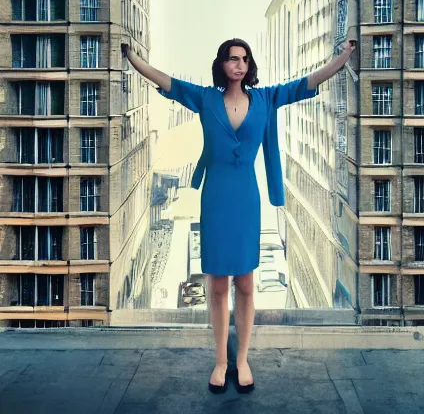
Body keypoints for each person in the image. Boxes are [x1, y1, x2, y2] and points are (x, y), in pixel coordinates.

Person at [121, 37, 356, 394]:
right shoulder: (205, 98)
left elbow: (309, 82)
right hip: (215, 199)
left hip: (247, 199)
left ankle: (242, 358)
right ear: (222, 64)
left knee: (245, 284)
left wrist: (344, 57)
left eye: (245, 59)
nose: (240, 64)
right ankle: (220, 359)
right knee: (217, 285)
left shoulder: (265, 98)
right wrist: (132, 57)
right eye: (233, 59)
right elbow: (165, 81)